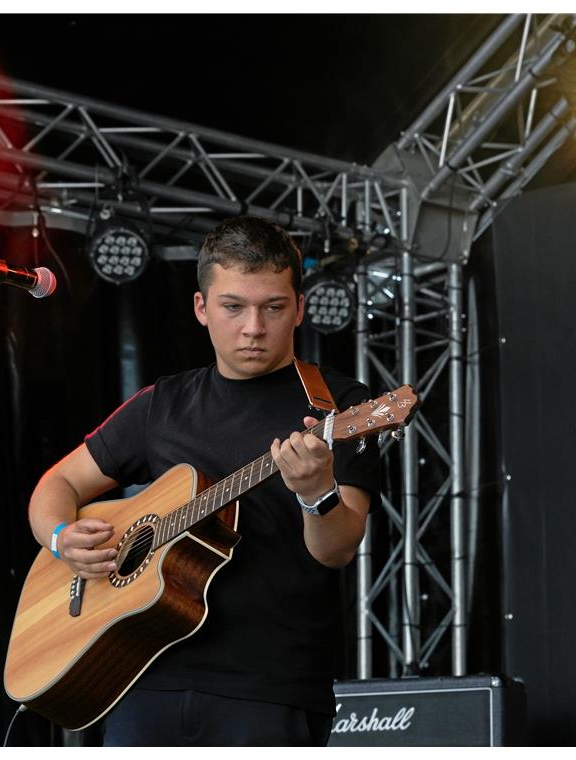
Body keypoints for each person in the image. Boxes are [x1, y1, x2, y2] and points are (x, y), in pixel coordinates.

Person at [26, 215, 379, 746]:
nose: (254, 327)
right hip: (140, 678)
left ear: (300, 309)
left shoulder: (339, 407)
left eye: (274, 307)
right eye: (233, 306)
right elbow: (56, 487)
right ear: (201, 308)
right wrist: (60, 538)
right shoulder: (162, 404)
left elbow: (337, 550)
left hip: (268, 688)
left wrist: (316, 492)